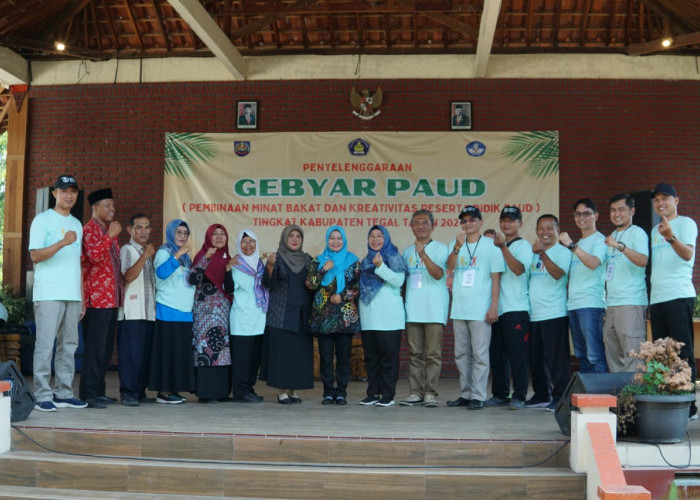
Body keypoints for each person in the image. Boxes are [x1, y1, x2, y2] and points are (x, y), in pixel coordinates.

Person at [29, 175, 87, 412]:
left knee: (69, 345)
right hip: (48, 292)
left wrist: (82, 296)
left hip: (72, 293)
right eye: (64, 191)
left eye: (72, 191)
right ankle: (42, 394)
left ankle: (63, 392)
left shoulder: (77, 224)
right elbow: (35, 256)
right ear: (54, 193)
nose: (68, 195)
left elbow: (78, 263)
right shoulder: (42, 220)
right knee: (45, 344)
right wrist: (62, 243)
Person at [446, 206, 504, 410]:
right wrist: (456, 247)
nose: (468, 223)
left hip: (481, 308)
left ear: (480, 222)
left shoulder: (491, 246)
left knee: (480, 354)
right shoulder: (457, 243)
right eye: (464, 220)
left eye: (472, 220)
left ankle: (478, 395)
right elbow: (450, 266)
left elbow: (496, 278)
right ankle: (466, 393)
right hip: (460, 308)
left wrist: (494, 306)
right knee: (461, 354)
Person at [648, 182, 698, 419]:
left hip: (679, 296)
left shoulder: (685, 223)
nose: (660, 203)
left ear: (676, 201)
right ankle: (668, 398)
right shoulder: (653, 230)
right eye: (656, 200)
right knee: (661, 354)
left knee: (683, 351)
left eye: (665, 198)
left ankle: (688, 405)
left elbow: (688, 254)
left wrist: (670, 237)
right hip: (658, 300)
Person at [400, 210, 449, 408]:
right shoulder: (406, 251)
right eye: (417, 223)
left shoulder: (440, 248)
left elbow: (438, 274)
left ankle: (430, 393)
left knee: (433, 354)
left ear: (433, 226)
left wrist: (423, 254)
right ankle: (415, 393)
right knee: (415, 354)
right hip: (413, 309)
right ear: (411, 226)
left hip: (434, 310)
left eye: (425, 223)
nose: (421, 226)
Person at [260, 225, 314, 404]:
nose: (295, 239)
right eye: (291, 236)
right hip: (281, 314)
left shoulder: (308, 260)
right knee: (282, 355)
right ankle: (282, 391)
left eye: (298, 236)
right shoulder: (277, 258)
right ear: (284, 238)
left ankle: (294, 391)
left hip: (302, 314)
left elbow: (314, 285)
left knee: (299, 354)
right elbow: (267, 284)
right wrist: (269, 266)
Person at [80, 188, 124, 409]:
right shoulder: (89, 230)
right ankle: (88, 393)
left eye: (113, 206)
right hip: (96, 300)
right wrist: (110, 237)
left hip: (111, 300)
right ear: (95, 207)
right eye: (108, 205)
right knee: (95, 348)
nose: (112, 209)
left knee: (106, 349)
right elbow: (93, 257)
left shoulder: (106, 232)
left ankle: (98, 391)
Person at [306, 226, 360, 405]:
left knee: (344, 358)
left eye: (339, 238)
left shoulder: (353, 261)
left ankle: (342, 392)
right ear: (327, 240)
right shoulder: (318, 260)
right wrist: (323, 269)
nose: (335, 241)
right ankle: (328, 392)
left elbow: (358, 287)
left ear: (344, 240)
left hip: (345, 316)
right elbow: (310, 284)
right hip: (323, 318)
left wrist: (343, 296)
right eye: (332, 238)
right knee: (326, 357)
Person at [489, 206, 533, 410]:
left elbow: (518, 269)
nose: (507, 224)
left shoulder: (522, 246)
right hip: (498, 309)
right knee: (497, 355)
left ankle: (520, 395)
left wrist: (503, 248)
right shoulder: (497, 246)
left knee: (517, 356)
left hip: (517, 308)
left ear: (520, 223)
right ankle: (500, 394)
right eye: (503, 220)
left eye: (512, 220)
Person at [358, 225, 407, 408]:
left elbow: (398, 281)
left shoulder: (394, 257)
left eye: (379, 236)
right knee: (371, 358)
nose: (375, 239)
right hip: (369, 316)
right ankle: (372, 393)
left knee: (388, 358)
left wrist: (381, 267)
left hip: (389, 318)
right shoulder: (365, 261)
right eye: (372, 236)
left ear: (386, 238)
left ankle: (387, 395)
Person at [528, 214, 573, 411]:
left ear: (557, 230)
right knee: (536, 358)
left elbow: (557, 274)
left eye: (549, 228)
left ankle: (560, 397)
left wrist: (543, 255)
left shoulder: (562, 252)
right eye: (541, 228)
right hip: (534, 314)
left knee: (557, 361)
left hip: (554, 313)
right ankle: (541, 394)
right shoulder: (533, 252)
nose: (545, 232)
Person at [149, 219, 196, 404]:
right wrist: (176, 256)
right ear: (171, 233)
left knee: (179, 355)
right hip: (168, 310)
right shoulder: (164, 252)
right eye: (179, 232)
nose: (182, 236)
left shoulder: (186, 258)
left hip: (185, 311)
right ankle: (163, 392)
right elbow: (161, 273)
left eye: (185, 233)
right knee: (167, 354)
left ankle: (174, 390)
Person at [559, 198, 608, 374]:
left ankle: (601, 399)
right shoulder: (579, 242)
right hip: (574, 305)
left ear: (596, 215)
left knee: (595, 356)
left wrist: (572, 246)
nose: (581, 218)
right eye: (578, 214)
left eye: (586, 213)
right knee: (582, 356)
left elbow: (594, 263)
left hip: (591, 304)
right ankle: (588, 400)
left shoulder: (600, 240)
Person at [603, 194, 649, 372]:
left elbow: (643, 260)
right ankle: (621, 398)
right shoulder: (612, 235)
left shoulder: (637, 233)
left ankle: (635, 398)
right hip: (612, 304)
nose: (617, 214)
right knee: (613, 355)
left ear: (632, 211)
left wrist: (620, 246)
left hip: (631, 302)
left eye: (621, 209)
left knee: (633, 356)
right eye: (613, 210)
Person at [190, 224, 233, 403]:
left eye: (222, 233)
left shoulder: (226, 257)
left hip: (222, 311)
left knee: (221, 349)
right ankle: (206, 393)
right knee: (206, 349)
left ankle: (221, 392)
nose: (218, 237)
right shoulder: (202, 254)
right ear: (208, 236)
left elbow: (230, 287)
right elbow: (193, 279)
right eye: (214, 234)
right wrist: (205, 259)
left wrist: (229, 269)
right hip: (204, 311)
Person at [117, 214, 156, 406]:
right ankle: (128, 392)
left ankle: (139, 391)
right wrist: (145, 256)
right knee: (130, 354)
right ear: (130, 229)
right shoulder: (128, 250)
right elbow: (127, 277)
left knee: (143, 355)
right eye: (139, 227)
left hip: (147, 312)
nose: (143, 231)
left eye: (146, 227)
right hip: (131, 312)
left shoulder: (146, 251)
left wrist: (146, 255)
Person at [226, 230, 269, 403]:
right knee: (242, 359)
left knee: (253, 358)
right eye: (244, 242)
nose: (248, 245)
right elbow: (229, 288)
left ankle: (249, 388)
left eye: (252, 241)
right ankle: (240, 391)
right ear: (239, 244)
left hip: (259, 318)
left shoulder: (259, 265)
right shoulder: (235, 264)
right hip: (242, 318)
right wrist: (228, 269)